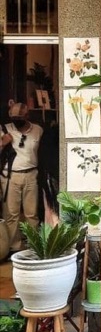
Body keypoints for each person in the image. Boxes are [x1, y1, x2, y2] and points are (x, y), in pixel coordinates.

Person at [0, 101, 43, 255]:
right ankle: (14, 247)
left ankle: (33, 246)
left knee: (32, 213)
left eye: (19, 117)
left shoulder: (38, 130)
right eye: (13, 117)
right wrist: (3, 143)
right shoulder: (4, 129)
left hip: (32, 174)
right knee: (11, 214)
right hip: (10, 176)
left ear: (27, 115)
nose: (16, 120)